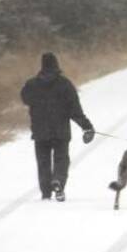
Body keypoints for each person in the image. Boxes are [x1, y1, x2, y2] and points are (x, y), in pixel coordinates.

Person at [20, 52, 96, 201]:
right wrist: (86, 126)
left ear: (42, 65)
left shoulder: (31, 84)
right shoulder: (64, 84)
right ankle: (58, 181)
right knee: (61, 159)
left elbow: (25, 99)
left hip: (40, 130)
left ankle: (46, 193)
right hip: (60, 130)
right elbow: (75, 110)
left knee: (43, 162)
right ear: (56, 65)